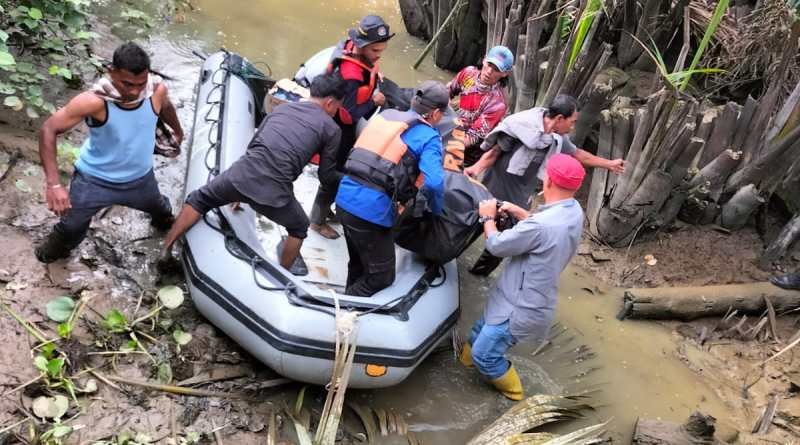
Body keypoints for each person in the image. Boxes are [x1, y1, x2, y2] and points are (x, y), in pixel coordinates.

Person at [162, 73, 344, 275]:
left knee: (198, 199)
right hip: (275, 194)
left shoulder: (282, 109)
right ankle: (280, 276)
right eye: (337, 107)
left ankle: (166, 247)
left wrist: (238, 193)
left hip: (240, 176)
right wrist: (349, 180)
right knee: (300, 227)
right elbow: (326, 177)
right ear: (329, 103)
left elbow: (254, 145)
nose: (336, 112)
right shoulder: (332, 129)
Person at [35, 42, 184, 263]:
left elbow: (167, 106)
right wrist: (54, 185)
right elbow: (49, 129)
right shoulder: (94, 101)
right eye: (127, 84)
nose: (134, 91)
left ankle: (163, 228)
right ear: (111, 71)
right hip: (94, 181)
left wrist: (178, 132)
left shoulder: (156, 90)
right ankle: (46, 256)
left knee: (161, 210)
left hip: (140, 179)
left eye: (140, 84)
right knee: (71, 227)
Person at [459, 154, 586, 400]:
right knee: (478, 331)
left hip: (518, 307)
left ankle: (514, 397)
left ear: (547, 180)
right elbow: (546, 232)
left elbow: (496, 246)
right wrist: (521, 213)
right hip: (522, 294)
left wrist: (487, 217)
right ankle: (463, 365)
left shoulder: (540, 225)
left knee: (484, 355)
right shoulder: (573, 211)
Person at [463, 94, 625, 275]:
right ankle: (451, 260)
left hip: (520, 196)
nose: (572, 128)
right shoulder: (521, 127)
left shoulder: (557, 139)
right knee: (472, 226)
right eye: (572, 122)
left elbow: (579, 154)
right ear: (559, 119)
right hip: (495, 187)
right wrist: (475, 168)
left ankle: (477, 274)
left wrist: (609, 164)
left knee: (504, 241)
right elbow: (494, 153)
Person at [335, 81, 448, 297]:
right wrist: (436, 210)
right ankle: (341, 309)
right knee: (381, 277)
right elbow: (434, 183)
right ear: (435, 114)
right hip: (371, 212)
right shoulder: (429, 137)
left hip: (344, 199)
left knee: (358, 262)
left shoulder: (386, 116)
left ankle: (349, 304)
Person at [309, 15, 395, 240]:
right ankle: (316, 221)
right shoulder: (350, 74)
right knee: (331, 175)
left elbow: (369, 69)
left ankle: (326, 210)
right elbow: (347, 115)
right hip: (338, 128)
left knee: (339, 170)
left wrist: (375, 77)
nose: (378, 55)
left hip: (344, 123)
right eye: (375, 51)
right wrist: (373, 101)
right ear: (362, 46)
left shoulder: (357, 53)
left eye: (381, 51)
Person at [448, 45, 513, 168]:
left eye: (496, 69)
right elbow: (448, 91)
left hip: (468, 151)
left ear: (505, 73)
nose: (489, 72)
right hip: (454, 127)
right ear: (484, 60)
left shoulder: (497, 103)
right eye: (489, 64)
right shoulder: (468, 73)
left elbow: (472, 137)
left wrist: (445, 143)